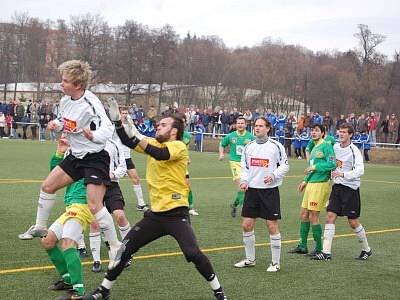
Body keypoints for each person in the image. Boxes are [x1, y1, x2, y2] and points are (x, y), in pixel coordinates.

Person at [83, 99, 227, 300]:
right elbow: (128, 141)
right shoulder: (152, 143)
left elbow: (160, 154)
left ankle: (219, 292)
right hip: (155, 216)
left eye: (164, 125)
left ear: (174, 131)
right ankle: (103, 290)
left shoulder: (178, 146)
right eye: (158, 124)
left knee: (192, 253)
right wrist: (117, 123)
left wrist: (138, 136)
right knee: (124, 250)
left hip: (176, 214)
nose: (158, 126)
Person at [18, 60, 121, 262]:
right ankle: (40, 226)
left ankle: (116, 246)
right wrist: (55, 125)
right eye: (62, 80)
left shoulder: (91, 103)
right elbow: (63, 121)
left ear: (78, 86)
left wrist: (93, 136)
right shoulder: (66, 101)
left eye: (65, 81)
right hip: (76, 155)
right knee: (47, 186)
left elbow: (107, 128)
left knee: (94, 206)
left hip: (95, 158)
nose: (61, 84)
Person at [234, 117, 289, 272]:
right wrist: (244, 181)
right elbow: (245, 168)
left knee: (271, 225)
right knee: (246, 225)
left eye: (260, 126)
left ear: (268, 128)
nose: (257, 128)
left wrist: (273, 175)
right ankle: (250, 259)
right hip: (252, 190)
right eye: (255, 126)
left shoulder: (276, 146)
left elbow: (285, 166)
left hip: (269, 191)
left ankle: (275, 263)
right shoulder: (249, 147)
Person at [42, 137, 93, 300]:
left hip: (82, 205)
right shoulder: (72, 153)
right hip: (71, 207)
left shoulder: (90, 152)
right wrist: (60, 152)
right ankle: (68, 280)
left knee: (67, 243)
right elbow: (54, 175)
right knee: (48, 240)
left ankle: (78, 291)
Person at [312, 123, 372, 261]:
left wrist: (343, 175)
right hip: (337, 188)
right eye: (340, 132)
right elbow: (331, 163)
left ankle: (366, 249)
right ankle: (326, 252)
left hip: (350, 189)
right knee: (330, 216)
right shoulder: (335, 147)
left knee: (353, 222)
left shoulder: (354, 150)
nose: (341, 134)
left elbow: (360, 171)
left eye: (344, 132)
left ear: (350, 134)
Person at [289, 124, 336, 256]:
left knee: (313, 215)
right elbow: (311, 168)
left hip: (320, 185)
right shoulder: (314, 147)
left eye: (316, 131)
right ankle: (302, 246)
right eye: (312, 131)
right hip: (311, 184)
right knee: (303, 214)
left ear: (323, 133)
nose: (313, 133)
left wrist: (315, 166)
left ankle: (319, 248)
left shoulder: (326, 146)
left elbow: (332, 164)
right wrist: (305, 180)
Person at [90, 136, 132, 273]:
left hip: (111, 185)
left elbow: (123, 167)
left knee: (120, 216)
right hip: (94, 186)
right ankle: (96, 260)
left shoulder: (114, 144)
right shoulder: (87, 144)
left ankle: (127, 252)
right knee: (94, 222)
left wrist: (112, 174)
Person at [219, 117, 255, 217]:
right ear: (236, 124)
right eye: (238, 123)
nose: (240, 125)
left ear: (245, 125)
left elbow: (256, 148)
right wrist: (221, 154)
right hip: (235, 162)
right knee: (241, 186)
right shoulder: (231, 136)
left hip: (247, 164)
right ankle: (246, 209)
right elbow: (222, 144)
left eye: (242, 123)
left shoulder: (251, 137)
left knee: (246, 188)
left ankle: (234, 205)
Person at [120, 107, 148, 211]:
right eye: (123, 113)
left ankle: (141, 203)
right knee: (113, 181)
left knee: (136, 178)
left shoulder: (130, 126)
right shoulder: (114, 126)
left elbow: (138, 135)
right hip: (116, 158)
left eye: (126, 113)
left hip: (127, 157)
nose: (125, 115)